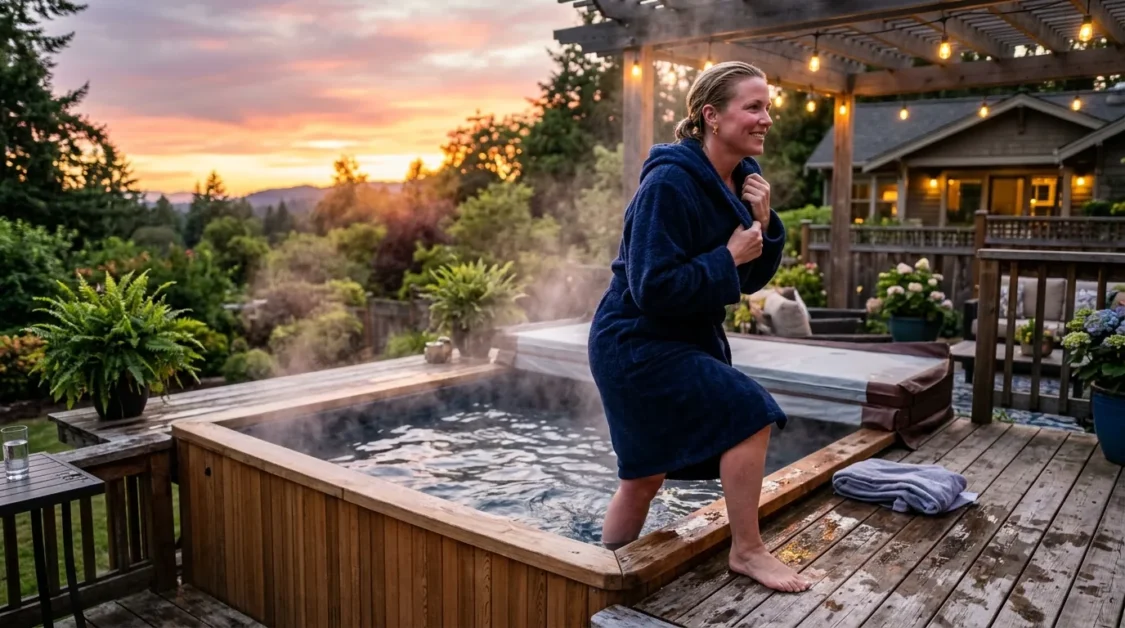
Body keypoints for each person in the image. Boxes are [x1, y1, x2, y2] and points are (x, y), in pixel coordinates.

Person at [587, 61, 810, 593]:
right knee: (749, 412)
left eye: (767, 107)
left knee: (643, 476)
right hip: (634, 341)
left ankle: (600, 575)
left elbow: (747, 277)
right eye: (753, 107)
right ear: (711, 115)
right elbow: (652, 287)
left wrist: (764, 223)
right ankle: (747, 550)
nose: (766, 118)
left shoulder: (737, 181)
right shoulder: (668, 183)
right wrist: (726, 257)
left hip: (679, 336)